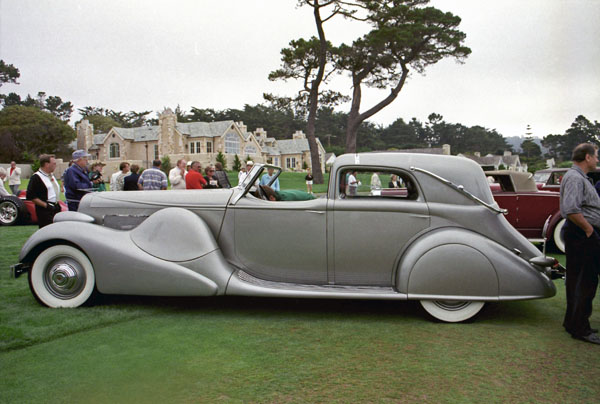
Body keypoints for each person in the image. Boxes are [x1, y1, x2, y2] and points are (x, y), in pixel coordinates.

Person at [560, 143, 600, 345]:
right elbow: (571, 209)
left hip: (580, 233)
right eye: (596, 156)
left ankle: (572, 322)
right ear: (587, 157)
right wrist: (588, 229)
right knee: (586, 281)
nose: (597, 160)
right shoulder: (575, 178)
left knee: (577, 279)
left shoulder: (579, 177)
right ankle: (580, 328)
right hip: (582, 234)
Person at [26, 154, 61, 228]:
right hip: (45, 210)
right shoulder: (36, 177)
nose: (55, 165)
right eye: (53, 163)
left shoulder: (51, 175)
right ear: (46, 164)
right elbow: (31, 196)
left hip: (55, 208)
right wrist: (46, 206)